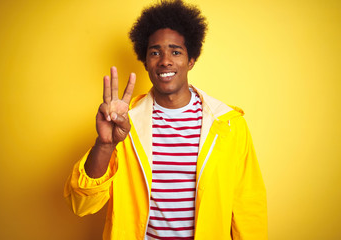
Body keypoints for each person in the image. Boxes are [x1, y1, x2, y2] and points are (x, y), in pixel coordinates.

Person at [64, 0, 267, 239]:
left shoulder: (228, 125)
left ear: (191, 60)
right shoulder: (125, 124)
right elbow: (81, 205)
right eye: (155, 52)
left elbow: (248, 208)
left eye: (176, 51)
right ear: (146, 62)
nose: (165, 60)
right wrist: (105, 144)